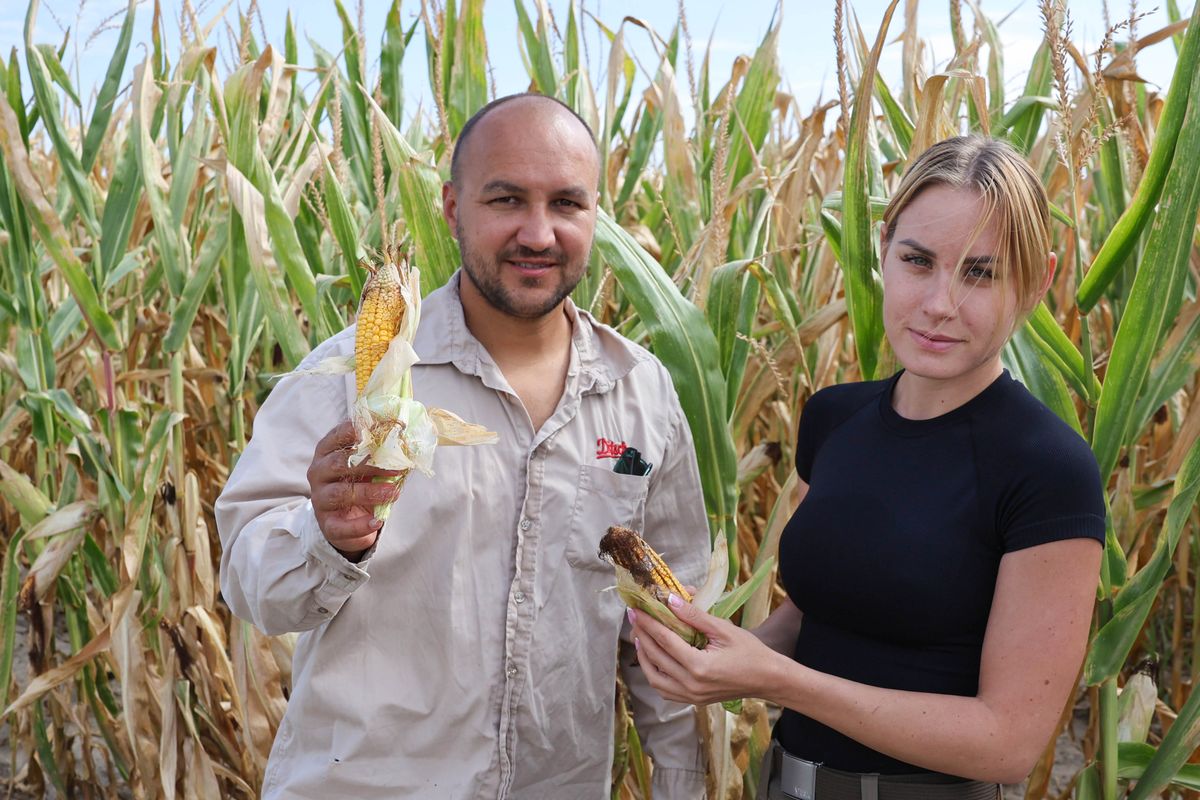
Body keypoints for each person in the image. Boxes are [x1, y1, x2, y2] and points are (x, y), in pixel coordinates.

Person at [216, 93, 711, 799]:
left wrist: (683, 782)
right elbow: (250, 581)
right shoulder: (356, 380)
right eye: (506, 199)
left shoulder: (643, 393)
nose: (538, 233)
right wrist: (330, 539)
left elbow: (667, 622)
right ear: (452, 208)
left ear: (596, 214)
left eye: (567, 204)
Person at [628, 135, 1106, 799]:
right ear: (884, 249)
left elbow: (1007, 743)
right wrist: (722, 654)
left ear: (1038, 279)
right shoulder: (833, 418)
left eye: (980, 272)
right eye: (918, 261)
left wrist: (774, 681)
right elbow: (826, 608)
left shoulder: (1048, 468)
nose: (940, 303)